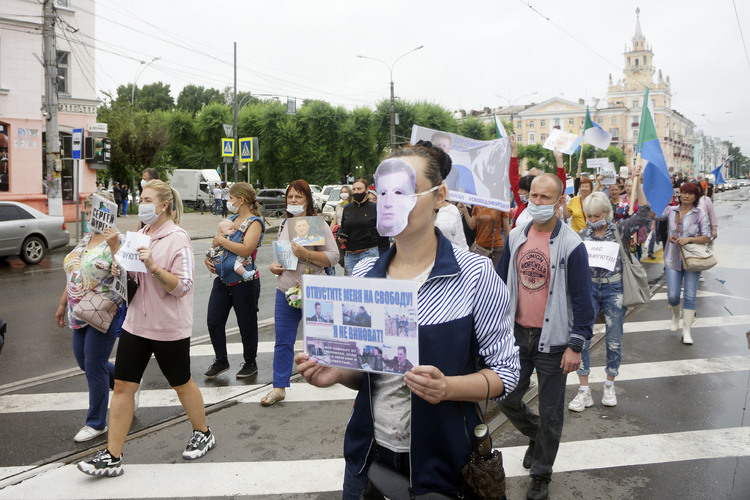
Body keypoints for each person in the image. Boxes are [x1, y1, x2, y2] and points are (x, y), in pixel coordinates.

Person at [294, 142, 520, 498]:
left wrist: (448, 389)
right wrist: (338, 373)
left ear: (440, 195)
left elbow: (505, 373)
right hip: (368, 461)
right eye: (381, 191)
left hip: (444, 467)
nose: (388, 201)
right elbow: (371, 373)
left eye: (403, 191)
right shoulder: (365, 275)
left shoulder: (476, 274)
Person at [78, 180, 215, 477]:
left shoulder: (178, 238)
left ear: (163, 205)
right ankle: (113, 455)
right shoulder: (140, 235)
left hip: (168, 328)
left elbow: (183, 286)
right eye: (141, 198)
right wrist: (118, 261)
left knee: (181, 384)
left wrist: (154, 267)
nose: (142, 203)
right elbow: (131, 279)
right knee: (124, 386)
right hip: (136, 323)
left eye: (147, 199)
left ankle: (203, 431)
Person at [496, 173, 595, 500]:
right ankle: (538, 435)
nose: (536, 203)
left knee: (552, 410)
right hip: (516, 337)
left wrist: (576, 345)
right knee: (506, 398)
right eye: (533, 196)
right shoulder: (515, 236)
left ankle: (541, 474)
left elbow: (583, 300)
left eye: (544, 198)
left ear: (559, 201)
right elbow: (498, 284)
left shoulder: (572, 245)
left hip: (553, 341)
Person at [568, 171, 651, 413]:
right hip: (589, 289)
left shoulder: (620, 229)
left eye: (598, 215)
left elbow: (644, 214)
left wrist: (639, 185)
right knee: (581, 339)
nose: (593, 219)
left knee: (614, 340)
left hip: (615, 288)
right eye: (589, 215)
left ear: (607, 212)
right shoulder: (582, 235)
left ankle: (609, 385)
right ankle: (583, 390)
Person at [56, 191, 124, 443]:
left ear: (105, 211)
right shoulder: (86, 238)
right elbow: (74, 273)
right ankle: (124, 384)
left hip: (102, 310)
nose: (86, 214)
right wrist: (63, 303)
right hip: (78, 311)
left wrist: (116, 246)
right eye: (85, 210)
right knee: (85, 363)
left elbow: (125, 275)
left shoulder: (116, 240)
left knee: (94, 367)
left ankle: (96, 423)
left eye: (90, 210)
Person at [265, 180, 339, 406]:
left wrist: (306, 254)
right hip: (286, 290)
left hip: (315, 290)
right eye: (290, 197)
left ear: (307, 199)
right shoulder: (284, 225)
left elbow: (333, 257)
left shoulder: (318, 225)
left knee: (322, 336)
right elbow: (280, 258)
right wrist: (273, 266)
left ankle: (328, 372)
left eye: (298, 197)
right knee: (283, 341)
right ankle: (279, 387)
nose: (293, 201)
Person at [203, 183, 265, 379]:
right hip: (223, 280)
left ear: (241, 200)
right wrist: (209, 259)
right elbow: (216, 246)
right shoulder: (230, 219)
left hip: (244, 282)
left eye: (231, 198)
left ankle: (250, 362)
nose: (228, 201)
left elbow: (246, 249)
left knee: (246, 324)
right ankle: (221, 360)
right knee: (213, 320)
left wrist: (221, 241)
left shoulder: (254, 223)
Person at [662, 182, 711, 345]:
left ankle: (687, 330)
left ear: (696, 196)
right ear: (679, 194)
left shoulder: (700, 213)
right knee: (673, 295)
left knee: (690, 295)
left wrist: (689, 239)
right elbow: (653, 215)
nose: (686, 196)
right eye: (684, 193)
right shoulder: (671, 211)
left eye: (690, 194)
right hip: (672, 258)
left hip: (692, 261)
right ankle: (676, 314)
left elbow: (706, 236)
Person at [339, 178, 379, 275]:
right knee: (352, 287)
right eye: (354, 189)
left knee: (367, 286)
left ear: (366, 191)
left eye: (359, 189)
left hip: (368, 253)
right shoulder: (347, 208)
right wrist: (340, 235)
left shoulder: (374, 208)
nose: (356, 191)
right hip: (350, 254)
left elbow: (382, 229)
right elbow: (343, 227)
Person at [458, 202, 509, 266]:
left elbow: (506, 228)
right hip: (479, 248)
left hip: (496, 249)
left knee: (494, 274)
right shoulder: (477, 205)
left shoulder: (500, 205)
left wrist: (509, 247)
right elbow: (472, 225)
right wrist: (465, 211)